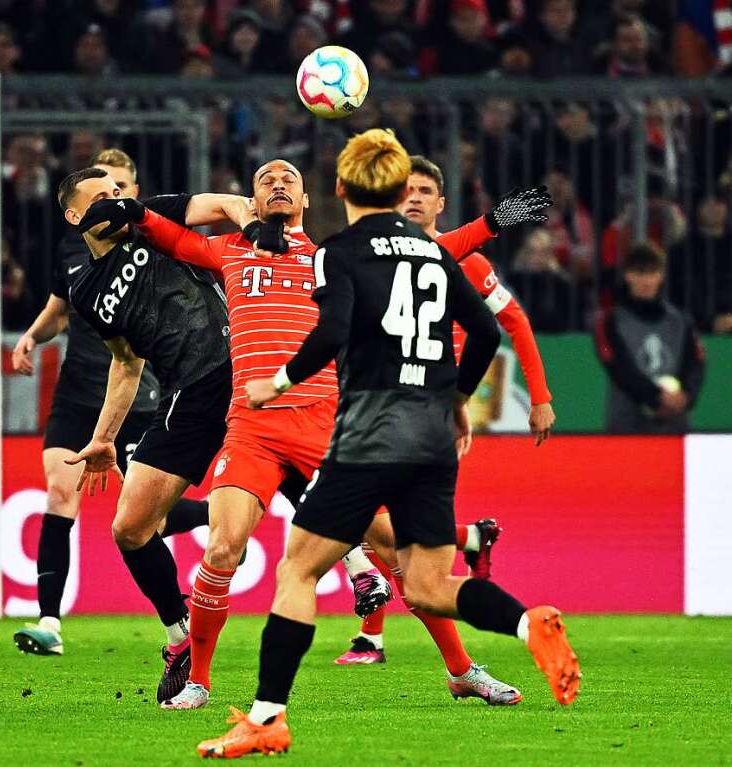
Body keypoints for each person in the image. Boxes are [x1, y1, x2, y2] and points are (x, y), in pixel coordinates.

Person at [107, 158, 550, 709]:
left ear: (307, 200)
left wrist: (492, 222)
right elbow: (167, 234)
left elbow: (428, 252)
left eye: (288, 179)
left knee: (397, 550)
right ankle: (198, 678)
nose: (277, 184)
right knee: (221, 547)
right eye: (265, 179)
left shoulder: (330, 259)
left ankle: (461, 670)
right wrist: (130, 210)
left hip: (325, 427)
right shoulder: (229, 251)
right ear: (251, 197)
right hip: (252, 429)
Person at [196, 129, 580, 759]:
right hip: (429, 434)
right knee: (427, 584)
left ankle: (267, 719)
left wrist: (281, 380)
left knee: (297, 569)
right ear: (404, 192)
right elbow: (484, 331)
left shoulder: (336, 252)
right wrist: (455, 401)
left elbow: (334, 330)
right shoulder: (434, 255)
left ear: (340, 188)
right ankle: (524, 622)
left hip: (368, 427)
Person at [11, 149, 243, 661]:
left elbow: (226, 204)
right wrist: (102, 437)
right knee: (132, 528)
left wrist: (259, 227)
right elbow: (127, 364)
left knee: (317, 491)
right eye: (101, 197)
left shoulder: (153, 216)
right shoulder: (87, 289)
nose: (115, 202)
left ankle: (376, 569)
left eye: (119, 193)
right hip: (188, 394)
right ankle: (180, 637)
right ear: (75, 216)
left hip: (238, 369)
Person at [334, 155, 556, 676]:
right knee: (377, 523)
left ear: (440, 203)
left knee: (371, 520)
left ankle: (390, 634)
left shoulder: (467, 262)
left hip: (429, 409)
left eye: (424, 190)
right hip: (381, 400)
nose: (413, 197)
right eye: (405, 189)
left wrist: (538, 396)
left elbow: (512, 324)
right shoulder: (377, 255)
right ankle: (462, 547)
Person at [595, 242, 706, 435]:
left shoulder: (681, 321)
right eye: (639, 273)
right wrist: (656, 397)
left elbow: (696, 362)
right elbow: (618, 366)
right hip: (627, 424)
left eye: (652, 273)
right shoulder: (609, 321)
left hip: (674, 422)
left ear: (661, 276)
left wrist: (687, 395)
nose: (646, 281)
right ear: (628, 276)